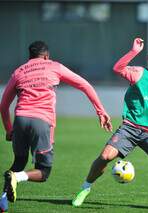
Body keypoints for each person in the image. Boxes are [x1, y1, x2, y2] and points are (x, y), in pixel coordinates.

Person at [72, 38, 148, 211]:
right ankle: (85, 189)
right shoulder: (139, 73)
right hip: (130, 127)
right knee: (105, 157)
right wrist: (133, 52)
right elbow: (117, 68)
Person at [0, 41, 112, 212]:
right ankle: (16, 177)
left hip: (20, 119)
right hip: (41, 122)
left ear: (29, 56)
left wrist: (9, 129)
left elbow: (3, 105)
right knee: (43, 172)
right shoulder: (54, 66)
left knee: (19, 161)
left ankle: (2, 202)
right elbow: (84, 85)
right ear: (46, 56)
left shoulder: (19, 71)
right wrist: (100, 111)